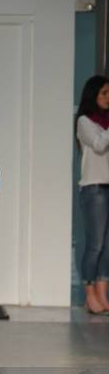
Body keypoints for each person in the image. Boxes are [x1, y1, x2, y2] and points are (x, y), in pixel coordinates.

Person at [75, 75, 109, 315]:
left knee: (107, 246)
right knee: (95, 244)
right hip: (93, 188)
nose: (108, 98)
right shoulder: (85, 121)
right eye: (104, 93)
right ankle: (90, 295)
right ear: (94, 95)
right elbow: (98, 144)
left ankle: (102, 294)